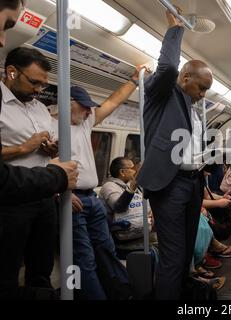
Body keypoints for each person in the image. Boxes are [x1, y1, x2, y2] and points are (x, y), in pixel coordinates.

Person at [52, 65, 148, 299]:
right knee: (84, 259)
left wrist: (134, 80)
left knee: (107, 249)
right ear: (68, 103)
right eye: (84, 106)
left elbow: (112, 103)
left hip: (91, 200)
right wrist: (59, 193)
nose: (88, 111)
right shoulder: (48, 126)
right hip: (69, 199)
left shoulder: (84, 122)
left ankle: (123, 293)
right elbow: (42, 164)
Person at [137, 8, 213, 299]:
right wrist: (175, 27)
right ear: (185, 78)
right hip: (169, 185)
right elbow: (167, 67)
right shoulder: (161, 93)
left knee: (185, 255)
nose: (203, 94)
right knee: (172, 257)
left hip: (192, 183)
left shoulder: (192, 111)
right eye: (202, 88)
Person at [0, 46, 77, 299]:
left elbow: (43, 150)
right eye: (34, 82)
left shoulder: (40, 109)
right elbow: (25, 148)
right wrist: (23, 147)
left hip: (44, 195)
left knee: (41, 265)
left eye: (43, 85)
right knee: (7, 268)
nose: (38, 90)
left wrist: (49, 149)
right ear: (11, 72)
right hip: (11, 199)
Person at [99, 157, 157, 252]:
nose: (136, 171)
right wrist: (133, 185)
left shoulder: (137, 187)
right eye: (133, 168)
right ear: (122, 172)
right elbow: (119, 207)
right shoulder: (109, 186)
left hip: (144, 235)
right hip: (124, 236)